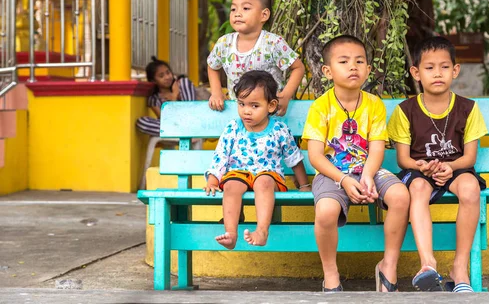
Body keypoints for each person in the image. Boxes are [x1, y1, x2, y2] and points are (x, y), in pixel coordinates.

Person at [302, 35, 410, 292]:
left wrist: (368, 175)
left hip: (368, 168)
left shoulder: (374, 105)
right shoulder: (320, 107)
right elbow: (315, 156)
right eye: (344, 61)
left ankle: (388, 265)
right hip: (331, 173)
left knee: (400, 196)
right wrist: (344, 179)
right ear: (327, 71)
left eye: (359, 61)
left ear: (368, 70)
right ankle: (331, 274)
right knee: (326, 211)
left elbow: (376, 148)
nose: (353, 66)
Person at [387, 36, 488, 293]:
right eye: (429, 68)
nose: (437, 73)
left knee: (470, 189)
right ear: (416, 73)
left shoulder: (468, 109)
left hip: (456, 168)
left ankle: (459, 268)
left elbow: (469, 158)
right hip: (420, 171)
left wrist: (451, 168)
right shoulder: (405, 110)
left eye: (444, 67)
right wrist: (423, 166)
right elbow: (403, 159)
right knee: (418, 189)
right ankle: (428, 264)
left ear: (455, 70)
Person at [204, 70, 310, 249]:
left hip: (269, 174)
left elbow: (294, 158)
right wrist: (213, 180)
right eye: (242, 104)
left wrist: (304, 185)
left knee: (263, 182)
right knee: (230, 186)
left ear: (271, 106)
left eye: (254, 106)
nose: (246, 111)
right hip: (238, 173)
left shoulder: (279, 129)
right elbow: (221, 155)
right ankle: (231, 233)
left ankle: (262, 231)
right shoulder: (233, 128)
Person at [207, 0, 305, 116]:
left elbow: (298, 68)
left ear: (264, 15)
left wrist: (285, 96)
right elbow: (212, 66)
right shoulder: (224, 43)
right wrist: (216, 92)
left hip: (271, 116)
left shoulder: (273, 43)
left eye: (245, 8)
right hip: (239, 115)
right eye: (233, 9)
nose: (237, 14)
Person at [136, 56, 196, 136]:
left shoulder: (182, 85)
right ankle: (183, 133)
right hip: (174, 127)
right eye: (161, 76)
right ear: (153, 81)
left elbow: (191, 109)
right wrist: (174, 97)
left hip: (192, 122)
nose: (167, 77)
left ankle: (189, 131)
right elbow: (165, 120)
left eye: (168, 72)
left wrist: (176, 94)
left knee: (184, 81)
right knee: (141, 122)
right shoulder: (154, 99)